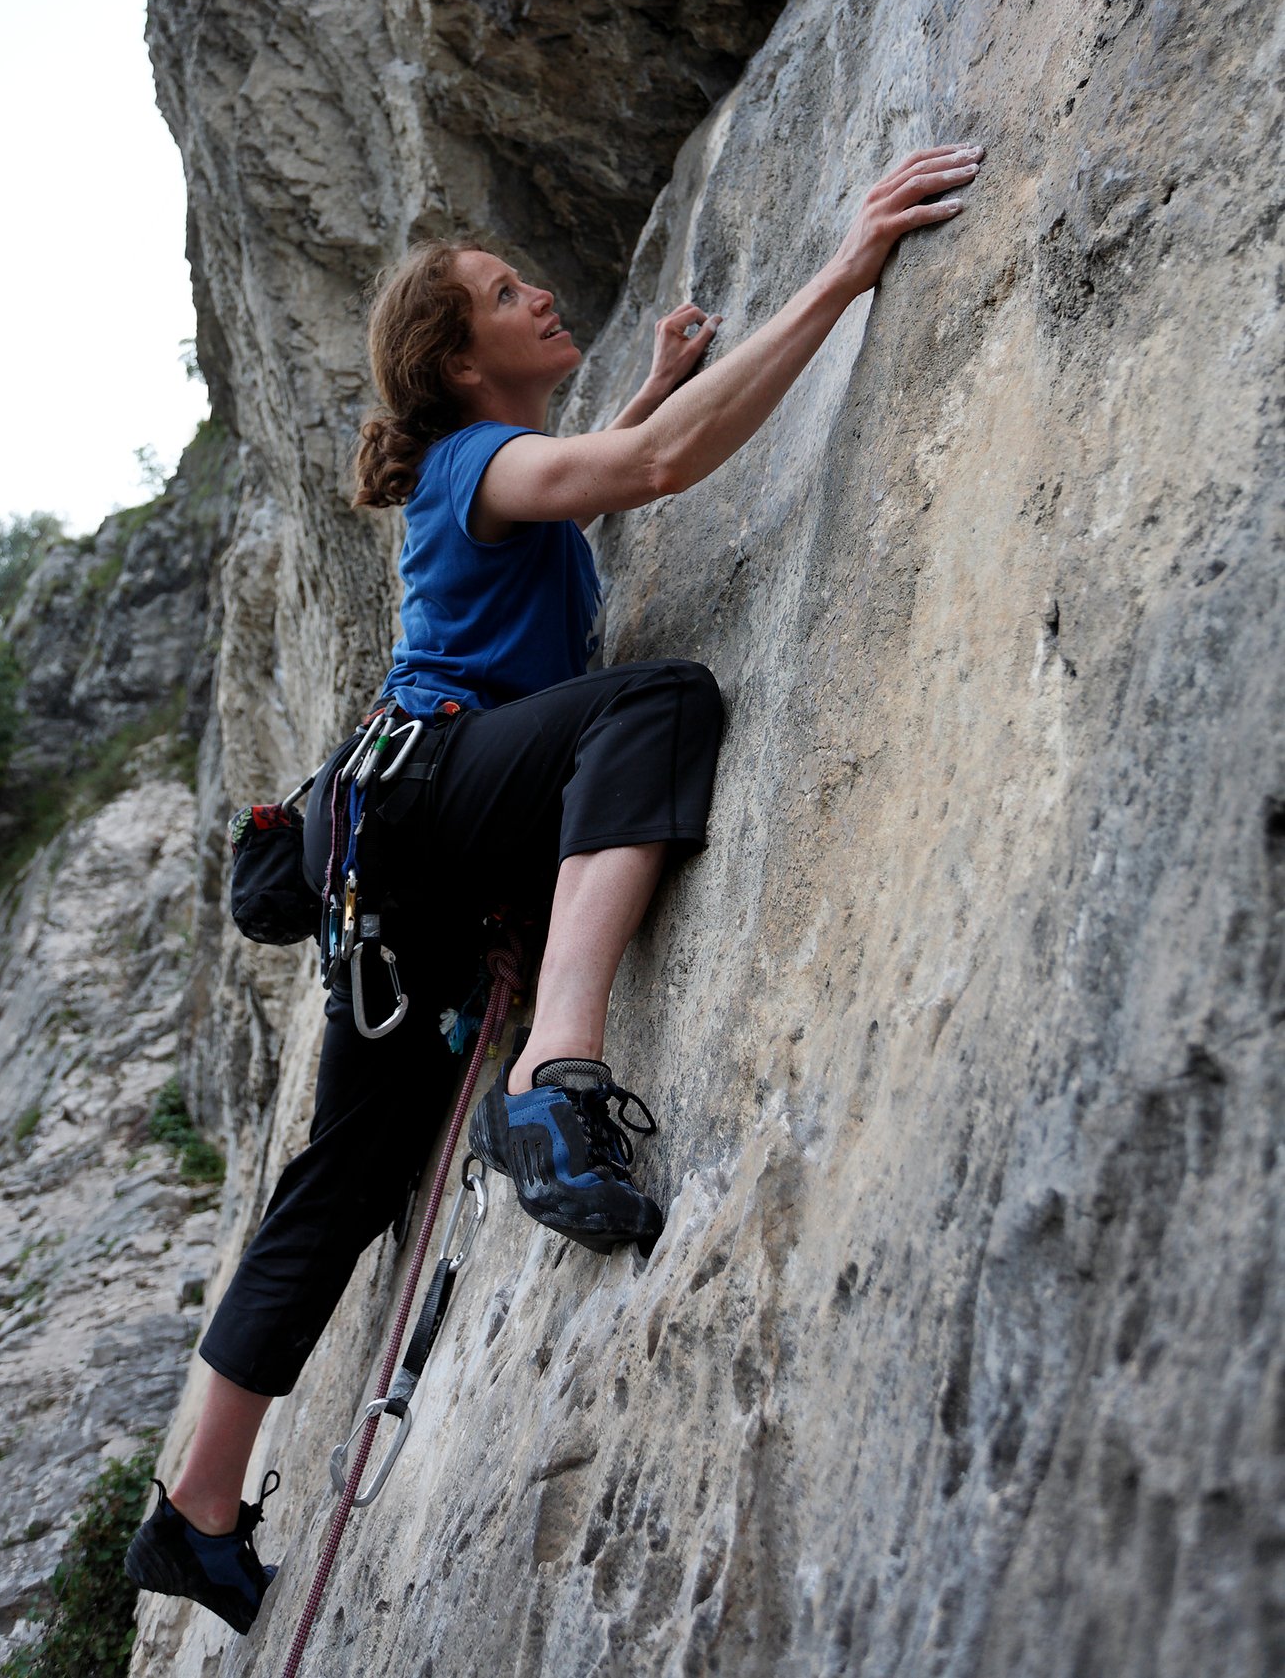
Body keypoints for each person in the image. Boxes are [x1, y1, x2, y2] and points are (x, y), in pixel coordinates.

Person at [125, 142, 983, 1632]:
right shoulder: (475, 466)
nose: (539, 295)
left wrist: (649, 381)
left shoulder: (492, 480)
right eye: (506, 293)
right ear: (459, 364)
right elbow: (641, 474)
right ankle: (557, 1070)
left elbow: (594, 478)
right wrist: (842, 270)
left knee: (342, 1174)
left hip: (397, 848)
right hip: (430, 808)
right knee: (655, 703)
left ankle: (195, 1507)